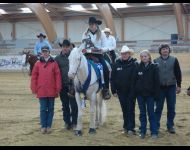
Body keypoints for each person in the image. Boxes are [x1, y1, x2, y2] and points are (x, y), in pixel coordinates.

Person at [30, 46, 62, 134]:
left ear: (49, 52)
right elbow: (34, 76)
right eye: (43, 51)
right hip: (42, 90)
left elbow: (57, 76)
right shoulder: (37, 64)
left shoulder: (54, 63)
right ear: (41, 52)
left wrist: (58, 87)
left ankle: (49, 126)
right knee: (43, 109)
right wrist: (33, 87)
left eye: (46, 51)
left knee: (51, 109)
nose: (44, 53)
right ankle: (43, 126)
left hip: (51, 90)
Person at [154, 43, 182, 134]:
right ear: (160, 51)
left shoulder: (174, 60)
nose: (165, 50)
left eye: (166, 49)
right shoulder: (155, 61)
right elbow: (153, 76)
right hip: (160, 88)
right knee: (158, 108)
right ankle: (156, 126)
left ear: (169, 50)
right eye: (163, 49)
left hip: (171, 87)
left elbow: (178, 73)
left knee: (171, 107)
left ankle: (170, 126)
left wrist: (179, 85)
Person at [82, 16, 111, 100]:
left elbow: (107, 47)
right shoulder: (85, 34)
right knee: (78, 67)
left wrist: (101, 49)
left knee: (105, 69)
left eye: (93, 24)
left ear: (96, 24)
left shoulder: (101, 34)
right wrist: (84, 49)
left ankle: (105, 89)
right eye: (90, 24)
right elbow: (83, 44)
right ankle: (76, 88)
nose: (92, 26)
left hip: (98, 55)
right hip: (87, 54)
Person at [110, 45, 137, 135]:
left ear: (129, 54)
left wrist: (134, 91)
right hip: (121, 92)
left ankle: (131, 128)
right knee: (124, 109)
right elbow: (112, 78)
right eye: (123, 54)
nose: (124, 55)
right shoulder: (116, 64)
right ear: (121, 54)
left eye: (126, 53)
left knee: (130, 109)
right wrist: (113, 90)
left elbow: (136, 79)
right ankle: (126, 127)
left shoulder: (134, 64)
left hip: (131, 91)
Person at [134, 50, 160, 139]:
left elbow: (157, 82)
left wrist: (156, 95)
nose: (144, 58)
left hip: (150, 95)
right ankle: (142, 131)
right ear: (140, 58)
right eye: (142, 56)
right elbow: (134, 81)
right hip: (140, 95)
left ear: (149, 57)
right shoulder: (137, 67)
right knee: (142, 113)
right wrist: (136, 91)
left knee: (151, 113)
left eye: (145, 56)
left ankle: (154, 132)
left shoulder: (154, 67)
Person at [55, 39, 78, 130]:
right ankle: (67, 123)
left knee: (74, 105)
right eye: (63, 46)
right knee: (65, 105)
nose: (65, 48)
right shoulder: (57, 59)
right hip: (63, 86)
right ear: (62, 47)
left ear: (70, 47)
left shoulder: (74, 57)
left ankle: (74, 123)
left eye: (67, 46)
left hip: (73, 86)